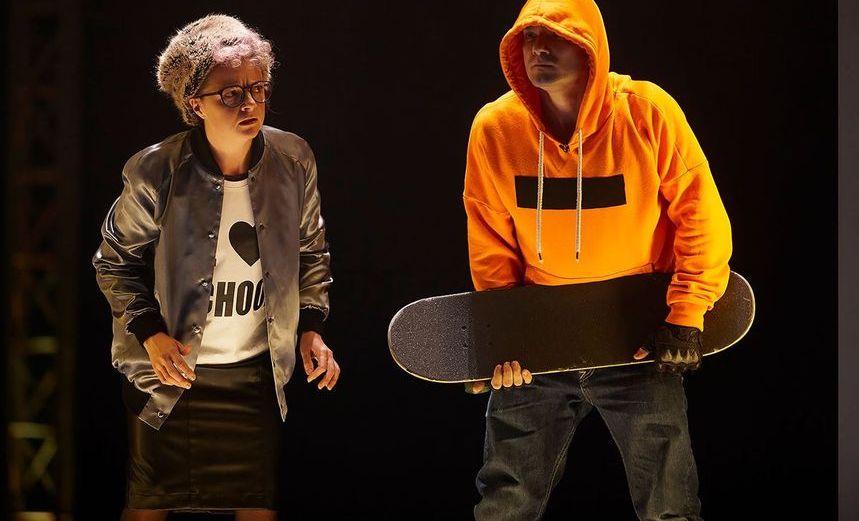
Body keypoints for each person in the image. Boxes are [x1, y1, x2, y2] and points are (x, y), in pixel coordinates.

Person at [463, 0, 732, 519]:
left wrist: (686, 314)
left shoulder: (647, 112)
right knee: (504, 504)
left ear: (591, 48)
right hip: (540, 345)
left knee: (670, 506)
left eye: (556, 37)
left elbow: (701, 216)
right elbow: (490, 243)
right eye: (529, 37)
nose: (539, 49)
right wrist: (503, 334)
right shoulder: (495, 128)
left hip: (637, 341)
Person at [92, 15, 340, 520]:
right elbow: (114, 262)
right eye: (230, 93)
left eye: (258, 88)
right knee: (148, 505)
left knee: (257, 503)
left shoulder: (294, 160)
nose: (249, 103)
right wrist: (151, 335)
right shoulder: (156, 169)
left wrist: (312, 328)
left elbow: (312, 251)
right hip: (171, 374)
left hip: (253, 374)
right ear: (194, 103)